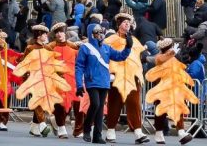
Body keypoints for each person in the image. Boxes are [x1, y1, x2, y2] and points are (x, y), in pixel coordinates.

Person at [76, 21, 134, 144]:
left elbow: (120, 57)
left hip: (104, 81)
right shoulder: (85, 48)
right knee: (96, 104)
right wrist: (79, 85)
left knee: (100, 109)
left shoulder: (106, 48)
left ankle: (97, 136)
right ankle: (86, 128)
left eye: (101, 32)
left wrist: (128, 47)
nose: (100, 34)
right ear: (91, 34)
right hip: (91, 81)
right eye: (97, 32)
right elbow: (79, 66)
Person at [104, 13, 151, 144]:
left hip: (132, 76)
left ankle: (138, 132)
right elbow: (104, 55)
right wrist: (109, 72)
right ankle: (110, 131)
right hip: (116, 75)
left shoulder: (135, 40)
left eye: (129, 22)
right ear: (118, 25)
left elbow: (141, 55)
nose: (127, 24)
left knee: (134, 103)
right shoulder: (110, 40)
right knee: (114, 103)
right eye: (124, 22)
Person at [147, 39, 195, 145]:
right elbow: (162, 59)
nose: (172, 46)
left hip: (175, 87)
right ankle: (159, 133)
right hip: (162, 88)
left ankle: (181, 132)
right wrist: (172, 53)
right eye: (170, 45)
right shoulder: (159, 57)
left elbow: (184, 61)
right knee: (161, 112)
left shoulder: (175, 57)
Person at [48, 22, 83, 138]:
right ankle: (61, 127)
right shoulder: (50, 47)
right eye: (57, 32)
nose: (59, 34)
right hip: (57, 80)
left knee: (78, 105)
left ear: (65, 32)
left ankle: (78, 129)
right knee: (61, 105)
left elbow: (80, 63)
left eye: (61, 31)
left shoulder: (73, 46)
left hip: (73, 80)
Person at [22, 24, 54, 136]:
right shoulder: (30, 48)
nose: (46, 36)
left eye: (46, 34)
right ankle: (42, 124)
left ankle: (34, 127)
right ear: (38, 35)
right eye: (44, 34)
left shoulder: (48, 48)